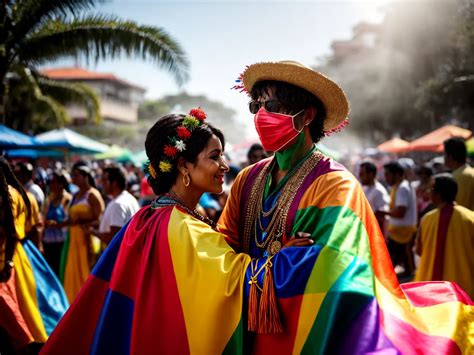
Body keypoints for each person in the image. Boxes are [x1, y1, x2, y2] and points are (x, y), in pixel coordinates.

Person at [219, 60, 472, 353]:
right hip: (245, 328)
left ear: (306, 116)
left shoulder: (336, 184)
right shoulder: (246, 179)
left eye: (272, 107)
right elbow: (224, 247)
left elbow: (331, 269)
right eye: (256, 107)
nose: (262, 116)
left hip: (302, 330)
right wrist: (277, 262)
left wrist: (253, 270)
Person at [0, 157, 68, 353]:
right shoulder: (24, 195)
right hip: (22, 250)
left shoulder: (10, 195)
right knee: (28, 299)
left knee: (19, 302)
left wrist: (36, 246)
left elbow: (25, 229)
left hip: (10, 253)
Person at [415, 174, 474, 298]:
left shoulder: (426, 219)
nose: (428, 192)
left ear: (438, 194)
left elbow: (419, 250)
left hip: (430, 288)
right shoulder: (470, 218)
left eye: (431, 189)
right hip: (464, 288)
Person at [60, 162, 105, 302]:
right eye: (72, 175)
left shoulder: (92, 195)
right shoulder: (75, 195)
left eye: (76, 175)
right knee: (72, 272)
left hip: (87, 240)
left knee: (85, 272)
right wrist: (56, 225)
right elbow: (71, 219)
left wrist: (84, 222)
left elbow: (101, 220)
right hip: (73, 239)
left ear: (86, 176)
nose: (73, 178)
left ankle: (87, 302)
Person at [383, 161, 418, 277]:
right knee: (403, 261)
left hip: (402, 233)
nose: (385, 178)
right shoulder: (399, 186)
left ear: (397, 174)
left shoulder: (402, 188)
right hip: (399, 231)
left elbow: (400, 212)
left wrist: (382, 212)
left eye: (388, 174)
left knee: (389, 263)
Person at [93, 166, 139, 244]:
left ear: (114, 183)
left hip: (117, 255)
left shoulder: (117, 204)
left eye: (104, 180)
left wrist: (92, 231)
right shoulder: (129, 198)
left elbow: (114, 238)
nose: (101, 183)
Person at [43, 170, 72, 276]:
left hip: (62, 242)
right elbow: (43, 217)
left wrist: (58, 225)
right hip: (48, 242)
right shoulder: (48, 199)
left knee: (60, 270)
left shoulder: (68, 199)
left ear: (61, 184)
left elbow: (70, 220)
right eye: (50, 182)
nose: (51, 185)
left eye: (53, 182)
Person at [359, 161, 390, 233]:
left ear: (371, 174)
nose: (360, 176)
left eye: (362, 174)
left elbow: (383, 217)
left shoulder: (379, 191)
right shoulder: (365, 188)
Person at [444, 137, 474, 210]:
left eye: (444, 154)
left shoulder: (456, 178)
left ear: (450, 157)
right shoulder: (471, 172)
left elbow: (458, 208)